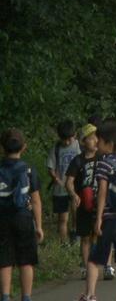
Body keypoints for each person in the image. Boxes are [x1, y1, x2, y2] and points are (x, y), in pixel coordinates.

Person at [80, 122, 116, 301]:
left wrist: (98, 219)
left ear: (109, 144)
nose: (97, 144)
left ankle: (90, 295)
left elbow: (102, 191)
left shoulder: (104, 164)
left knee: (94, 259)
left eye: (100, 141)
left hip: (109, 217)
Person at [65, 124, 116, 281]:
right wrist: (73, 194)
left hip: (102, 203)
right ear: (83, 141)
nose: (94, 141)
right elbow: (69, 181)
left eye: (96, 138)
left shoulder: (104, 158)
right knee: (86, 237)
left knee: (104, 235)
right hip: (85, 204)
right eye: (90, 138)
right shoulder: (78, 160)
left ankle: (107, 266)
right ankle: (86, 266)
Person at [0, 128, 44, 301]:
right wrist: (39, 226)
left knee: (4, 259)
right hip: (23, 218)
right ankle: (26, 297)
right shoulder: (29, 170)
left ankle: (4, 296)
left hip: (2, 218)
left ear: (2, 148)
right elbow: (36, 200)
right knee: (26, 260)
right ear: (24, 147)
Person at [47, 120, 81, 241]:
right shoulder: (55, 148)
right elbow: (50, 167)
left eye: (69, 139)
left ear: (75, 135)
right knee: (63, 218)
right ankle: (64, 243)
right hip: (60, 189)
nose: (66, 142)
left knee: (76, 214)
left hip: (75, 188)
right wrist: (55, 178)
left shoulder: (78, 146)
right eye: (63, 139)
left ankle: (75, 235)